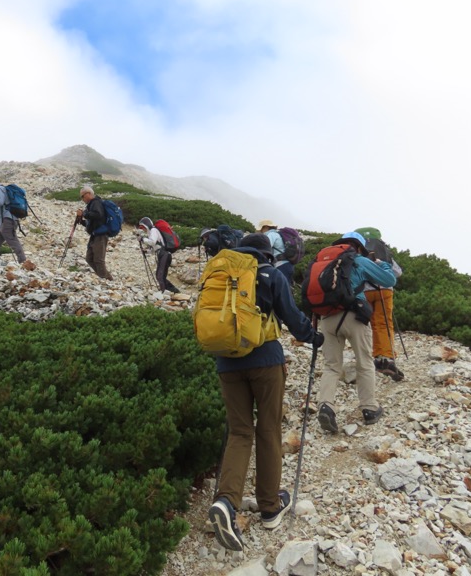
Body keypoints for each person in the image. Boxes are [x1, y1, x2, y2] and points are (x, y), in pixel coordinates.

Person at [208, 233, 323, 552]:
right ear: (266, 252)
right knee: (269, 430)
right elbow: (292, 318)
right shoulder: (269, 273)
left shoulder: (222, 273)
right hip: (265, 361)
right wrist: (313, 337)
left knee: (240, 432)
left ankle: (226, 503)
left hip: (226, 363)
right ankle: (270, 506)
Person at [315, 231, 397, 435]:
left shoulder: (323, 260)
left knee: (332, 366)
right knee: (365, 361)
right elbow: (388, 280)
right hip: (354, 316)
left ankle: (326, 405)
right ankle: (369, 408)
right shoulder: (358, 259)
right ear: (359, 247)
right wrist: (381, 263)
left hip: (326, 318)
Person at [355, 227, 404, 381]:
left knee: (369, 324)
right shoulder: (384, 251)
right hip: (386, 291)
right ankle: (387, 357)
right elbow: (398, 272)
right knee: (385, 323)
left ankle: (374, 355)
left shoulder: (359, 252)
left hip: (366, 291)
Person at [75, 186, 113, 280]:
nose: (82, 199)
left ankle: (106, 280)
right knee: (89, 258)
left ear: (88, 194)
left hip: (100, 235)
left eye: (82, 196)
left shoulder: (96, 202)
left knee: (98, 260)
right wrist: (82, 221)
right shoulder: (92, 204)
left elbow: (98, 215)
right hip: (95, 235)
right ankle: (104, 277)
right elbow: (93, 222)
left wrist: (83, 214)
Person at [136, 217, 180, 293]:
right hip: (163, 255)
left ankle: (165, 292)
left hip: (164, 255)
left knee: (160, 275)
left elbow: (152, 242)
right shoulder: (152, 232)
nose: (143, 229)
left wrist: (142, 239)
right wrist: (147, 251)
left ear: (146, 225)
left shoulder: (154, 230)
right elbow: (155, 247)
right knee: (160, 275)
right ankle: (171, 291)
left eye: (143, 227)